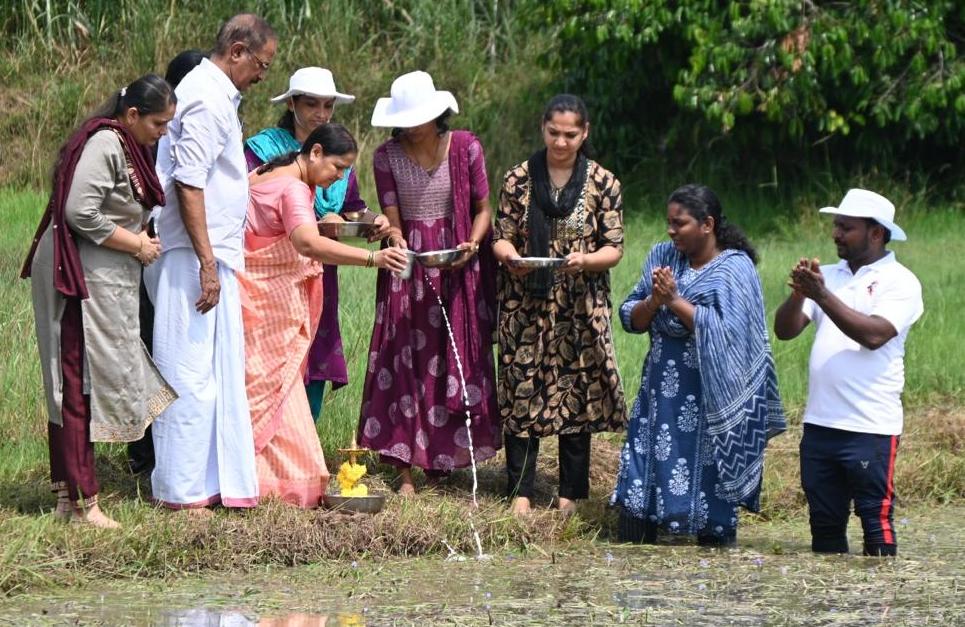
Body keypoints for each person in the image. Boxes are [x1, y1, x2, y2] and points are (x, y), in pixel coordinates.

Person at [22, 74, 178, 528]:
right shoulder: (107, 143)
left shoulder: (126, 146)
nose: (163, 132)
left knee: (83, 380)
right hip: (78, 280)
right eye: (158, 123)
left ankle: (71, 500)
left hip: (99, 279)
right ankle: (81, 502)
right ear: (132, 116)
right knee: (74, 381)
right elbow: (79, 211)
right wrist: (136, 244)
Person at [145, 13, 277, 511]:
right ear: (237, 50)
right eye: (261, 64)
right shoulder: (203, 94)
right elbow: (189, 181)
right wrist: (204, 261)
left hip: (214, 253)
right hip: (190, 256)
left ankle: (209, 482)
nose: (263, 74)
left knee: (215, 374)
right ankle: (180, 489)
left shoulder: (219, 94)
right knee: (187, 373)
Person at [241, 124, 408, 507]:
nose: (338, 177)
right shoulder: (294, 188)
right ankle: (272, 484)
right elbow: (305, 242)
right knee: (275, 394)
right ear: (314, 152)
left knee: (256, 390)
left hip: (250, 297)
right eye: (337, 167)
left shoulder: (264, 173)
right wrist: (373, 258)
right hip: (271, 303)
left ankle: (244, 476)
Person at [611, 184, 785, 546]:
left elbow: (733, 334)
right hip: (659, 394)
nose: (671, 231)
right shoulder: (662, 257)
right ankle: (636, 546)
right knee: (642, 476)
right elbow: (630, 315)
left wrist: (673, 301)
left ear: (707, 224)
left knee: (708, 487)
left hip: (710, 398)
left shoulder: (735, 269)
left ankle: (713, 551)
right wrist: (654, 301)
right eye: (669, 223)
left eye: (680, 223)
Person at [357, 70, 501, 495]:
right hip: (408, 265)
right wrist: (398, 242)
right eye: (407, 118)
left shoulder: (465, 147)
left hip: (457, 259)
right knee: (403, 358)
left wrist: (472, 245)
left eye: (421, 116)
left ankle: (442, 460)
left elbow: (483, 208)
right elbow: (393, 215)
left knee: (452, 359)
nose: (414, 125)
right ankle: (403, 465)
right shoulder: (386, 157)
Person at [492, 94, 627, 516]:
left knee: (578, 392)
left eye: (571, 134)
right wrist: (508, 256)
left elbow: (614, 248)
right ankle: (521, 492)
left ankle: (570, 494)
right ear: (542, 129)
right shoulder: (518, 179)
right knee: (521, 390)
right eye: (554, 133)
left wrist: (584, 261)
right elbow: (501, 235)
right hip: (525, 302)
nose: (562, 142)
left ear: (584, 133)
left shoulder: (604, 183)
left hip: (579, 303)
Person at [774, 189, 923, 556]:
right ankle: (831, 609)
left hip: (870, 426)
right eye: (836, 226)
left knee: (876, 523)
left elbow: (874, 335)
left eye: (846, 227)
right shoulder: (828, 276)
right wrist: (799, 293)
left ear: (876, 233)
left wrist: (821, 295)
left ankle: (883, 606)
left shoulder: (901, 281)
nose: (836, 234)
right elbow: (785, 330)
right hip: (820, 424)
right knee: (824, 528)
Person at [243, 67, 391, 422]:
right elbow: (247, 203)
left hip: (321, 270)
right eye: (312, 104)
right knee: (269, 359)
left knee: (313, 347)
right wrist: (370, 259)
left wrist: (372, 221)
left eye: (328, 105)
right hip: (272, 269)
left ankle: (302, 434)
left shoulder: (338, 158)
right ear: (292, 104)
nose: (320, 113)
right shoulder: (262, 151)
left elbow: (352, 208)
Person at [128, 48, 207, 477]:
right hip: (153, 249)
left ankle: (180, 450)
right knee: (152, 346)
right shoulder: (150, 134)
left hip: (180, 249)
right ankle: (147, 454)